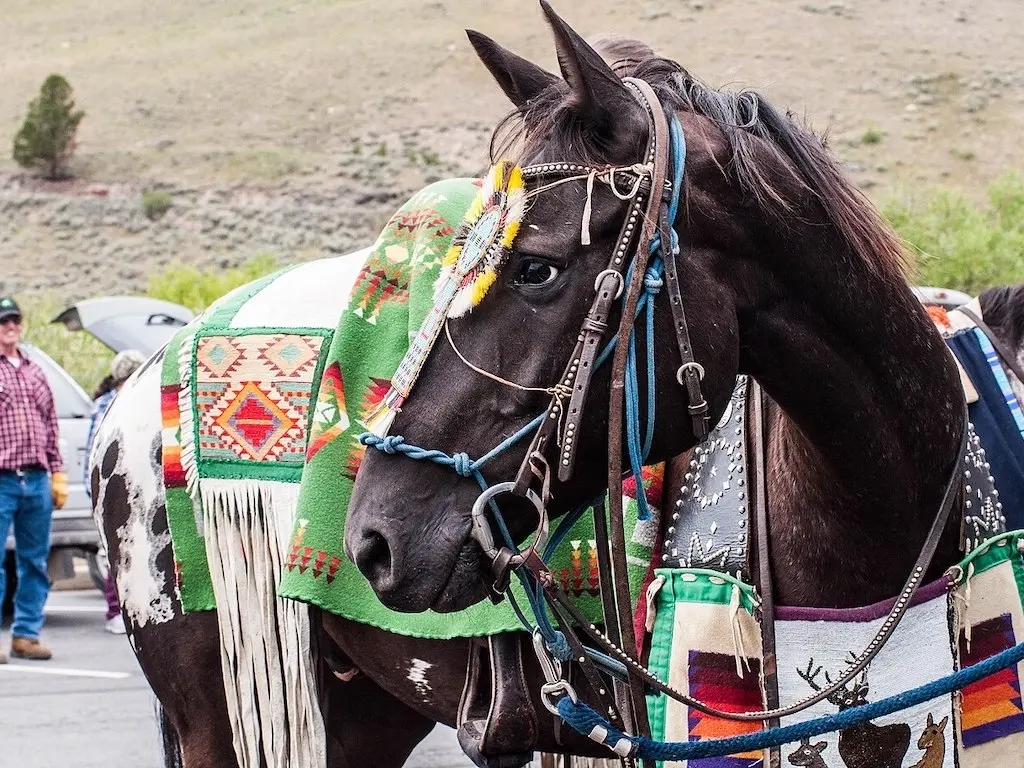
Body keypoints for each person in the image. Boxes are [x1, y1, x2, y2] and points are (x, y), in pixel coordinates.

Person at [0, 296, 67, 663]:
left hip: (37, 479)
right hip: (2, 480)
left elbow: (51, 424)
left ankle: (26, 635)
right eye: (4, 321)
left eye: (15, 320)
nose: (10, 326)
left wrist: (57, 472)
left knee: (35, 562)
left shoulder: (34, 370)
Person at [85, 349, 145, 634]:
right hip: (114, 488)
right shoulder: (107, 406)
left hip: (139, 485)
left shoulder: (143, 401)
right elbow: (95, 454)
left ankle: (137, 607)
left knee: (138, 549)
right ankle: (115, 610)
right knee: (115, 551)